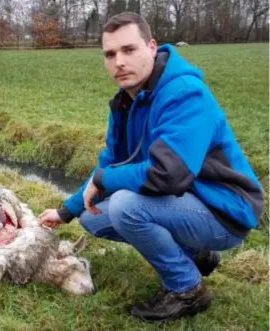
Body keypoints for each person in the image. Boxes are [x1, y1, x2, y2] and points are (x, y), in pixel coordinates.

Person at [38, 11, 264, 322]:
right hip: (188, 202)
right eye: (110, 54)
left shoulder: (183, 93)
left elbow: (168, 176)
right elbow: (110, 162)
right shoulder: (124, 102)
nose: (119, 61)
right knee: (92, 218)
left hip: (225, 210)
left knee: (124, 206)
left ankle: (187, 290)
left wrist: (105, 180)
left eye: (128, 50)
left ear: (152, 47)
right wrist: (66, 211)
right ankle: (194, 254)